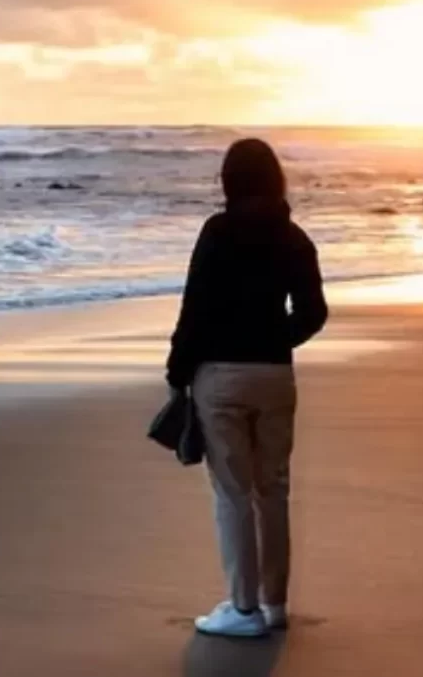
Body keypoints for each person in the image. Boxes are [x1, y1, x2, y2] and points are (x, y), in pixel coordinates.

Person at [164, 136, 328, 640]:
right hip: (276, 376)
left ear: (229, 181)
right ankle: (274, 603)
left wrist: (177, 372)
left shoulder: (217, 232)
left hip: (222, 377)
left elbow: (194, 311)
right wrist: (274, 338)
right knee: (272, 490)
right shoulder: (294, 237)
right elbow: (313, 313)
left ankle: (242, 607)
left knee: (233, 493)